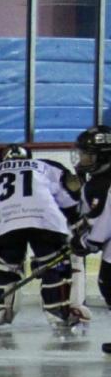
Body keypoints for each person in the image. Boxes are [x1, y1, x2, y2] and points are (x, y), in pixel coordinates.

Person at [0, 143, 82, 331]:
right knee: (53, 265)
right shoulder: (46, 166)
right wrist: (75, 221)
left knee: (3, 267)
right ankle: (58, 312)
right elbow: (69, 196)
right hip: (45, 221)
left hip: (5, 222)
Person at [70, 125, 111, 317]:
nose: (82, 159)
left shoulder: (103, 184)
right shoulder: (96, 182)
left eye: (87, 155)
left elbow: (103, 221)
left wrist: (88, 241)